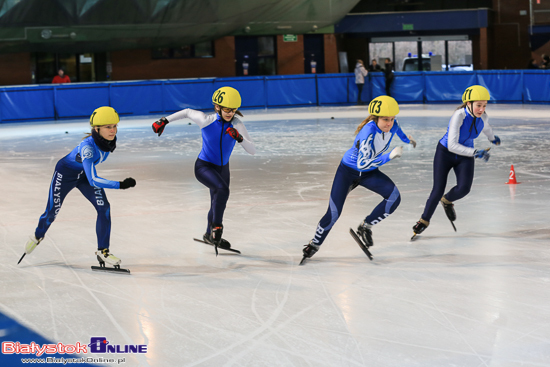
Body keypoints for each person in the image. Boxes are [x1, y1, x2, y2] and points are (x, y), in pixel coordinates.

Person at [301, 96, 416, 263]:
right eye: (385, 119)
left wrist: (408, 140)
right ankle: (314, 244)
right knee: (333, 213)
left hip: (369, 173)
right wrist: (389, 156)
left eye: (392, 119)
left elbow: (399, 131)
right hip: (348, 172)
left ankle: (366, 225)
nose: (389, 123)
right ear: (376, 118)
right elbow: (362, 164)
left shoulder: (393, 124)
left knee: (394, 198)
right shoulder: (368, 132)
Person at [19, 107, 136, 267]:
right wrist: (120, 185)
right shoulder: (87, 147)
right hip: (65, 175)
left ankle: (103, 251)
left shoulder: (107, 142)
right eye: (108, 127)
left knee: (104, 208)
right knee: (52, 213)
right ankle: (38, 236)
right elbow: (93, 179)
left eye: (115, 126)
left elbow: (90, 175)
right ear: (97, 129)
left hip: (83, 176)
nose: (113, 130)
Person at [151, 86, 255, 252]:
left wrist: (239, 138)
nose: (230, 113)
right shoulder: (206, 120)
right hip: (204, 166)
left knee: (217, 201)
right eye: (227, 110)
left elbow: (252, 150)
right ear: (217, 107)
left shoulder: (237, 124)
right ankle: (217, 228)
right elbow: (186, 112)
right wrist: (164, 121)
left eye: (234, 110)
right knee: (222, 190)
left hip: (223, 169)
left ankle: (208, 234)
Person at [411, 85, 500, 238]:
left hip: (465, 155)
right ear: (468, 104)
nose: (481, 109)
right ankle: (424, 221)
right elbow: (452, 145)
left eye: (484, 105)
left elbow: (486, 128)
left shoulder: (483, 117)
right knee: (437, 189)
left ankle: (447, 200)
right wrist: (475, 152)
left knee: (464, 188)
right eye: (478, 105)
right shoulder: (459, 115)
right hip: (445, 153)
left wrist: (492, 138)